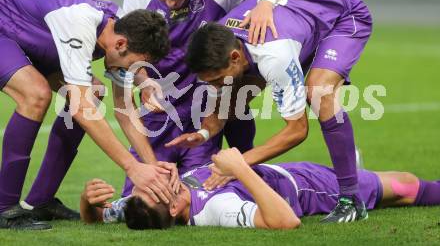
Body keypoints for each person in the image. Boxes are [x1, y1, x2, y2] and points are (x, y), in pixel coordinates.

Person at [170, 0, 373, 223]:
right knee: (234, 95)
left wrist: (239, 164)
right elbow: (220, 107)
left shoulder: (273, 56)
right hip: (300, 21)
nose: (215, 86)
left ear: (236, 58)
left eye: (216, 79)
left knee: (319, 92)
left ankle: (351, 199)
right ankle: (254, 180)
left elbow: (297, 131)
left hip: (343, 15)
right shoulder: (220, 41)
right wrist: (202, 134)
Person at [0, 0, 176, 230]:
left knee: (93, 91)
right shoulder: (79, 22)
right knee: (35, 94)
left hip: (29, 29)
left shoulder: (121, 27)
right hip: (5, 22)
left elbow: (125, 111)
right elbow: (83, 110)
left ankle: (39, 202)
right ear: (121, 44)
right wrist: (131, 167)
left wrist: (151, 166)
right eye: (130, 66)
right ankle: (5, 208)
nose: (128, 72)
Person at [119, 0, 298, 196]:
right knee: (142, 196)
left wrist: (266, 3)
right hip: (160, 109)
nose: (170, 3)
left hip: (206, 106)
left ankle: (258, 180)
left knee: (199, 193)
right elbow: (127, 55)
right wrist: (145, 81)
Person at [80, 147, 440, 229]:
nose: (152, 181)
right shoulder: (214, 211)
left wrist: (87, 202)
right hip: (309, 189)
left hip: (285, 170)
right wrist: (241, 168)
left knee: (362, 167)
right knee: (405, 186)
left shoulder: (141, 203)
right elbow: (285, 222)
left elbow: (98, 217)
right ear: (173, 209)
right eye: (156, 189)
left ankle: (354, 167)